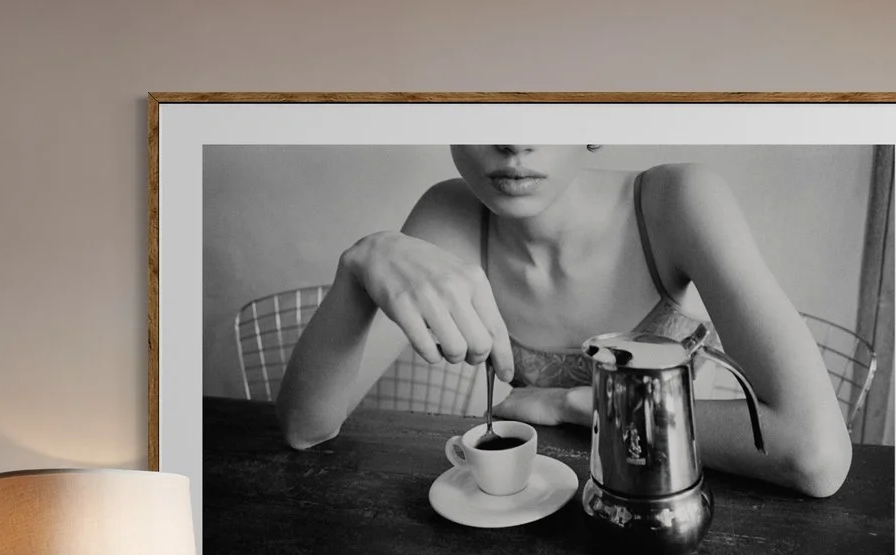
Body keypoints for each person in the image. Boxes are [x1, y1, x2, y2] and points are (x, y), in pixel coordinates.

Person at [277, 145, 852, 499]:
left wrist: (572, 406)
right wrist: (362, 261)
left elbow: (814, 455)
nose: (514, 143)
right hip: (539, 509)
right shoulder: (450, 214)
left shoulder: (677, 199)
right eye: (482, 107)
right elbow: (307, 427)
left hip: (686, 497)